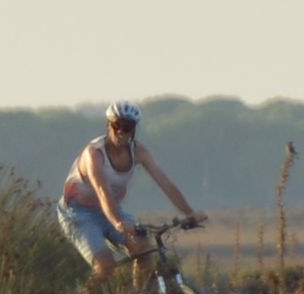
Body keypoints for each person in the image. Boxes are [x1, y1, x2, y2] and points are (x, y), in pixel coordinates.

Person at [57, 106, 198, 273]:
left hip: (110, 210)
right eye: (117, 126)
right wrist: (117, 222)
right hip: (78, 213)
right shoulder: (94, 153)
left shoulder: (139, 152)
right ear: (108, 125)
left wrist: (190, 213)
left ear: (134, 130)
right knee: (105, 267)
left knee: (144, 249)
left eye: (127, 127)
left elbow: (166, 184)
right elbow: (102, 190)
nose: (121, 132)